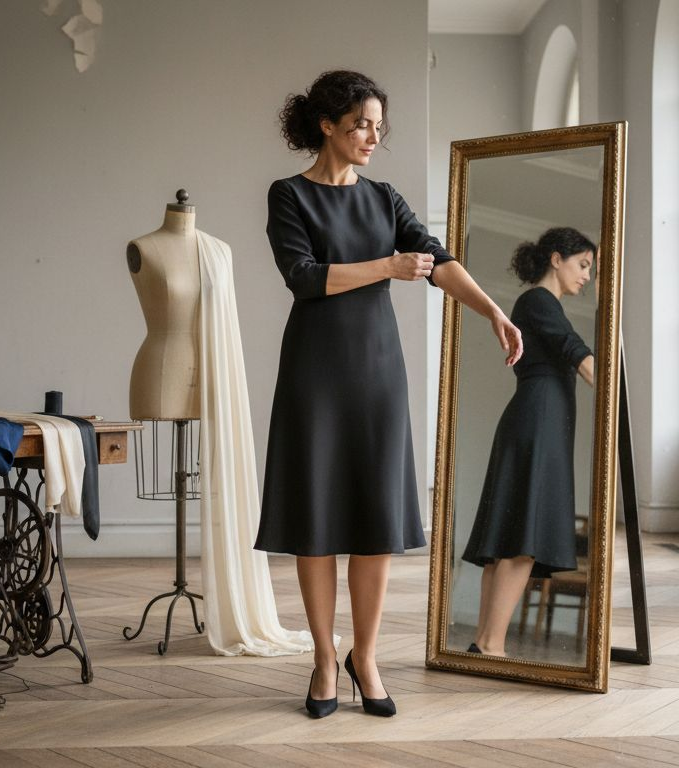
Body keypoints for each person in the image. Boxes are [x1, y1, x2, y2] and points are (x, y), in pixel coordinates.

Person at [253, 70, 522, 718]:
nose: (373, 137)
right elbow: (304, 277)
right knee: (317, 523)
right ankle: (324, 659)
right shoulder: (289, 195)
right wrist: (387, 266)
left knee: (375, 522)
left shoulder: (383, 198)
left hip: (378, 373)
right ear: (327, 126)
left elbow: (435, 258)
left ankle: (365, 657)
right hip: (315, 373)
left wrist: (492, 311)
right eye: (361, 125)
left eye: (378, 126)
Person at [460, 227, 597, 658]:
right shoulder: (538, 301)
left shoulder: (538, 304)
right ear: (556, 259)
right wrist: (615, 391)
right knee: (522, 540)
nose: (587, 276)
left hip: (536, 421)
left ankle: (485, 644)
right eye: (583, 265)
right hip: (539, 423)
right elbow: (573, 350)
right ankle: (492, 646)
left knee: (511, 540)